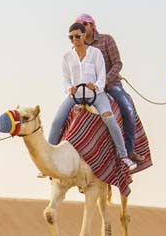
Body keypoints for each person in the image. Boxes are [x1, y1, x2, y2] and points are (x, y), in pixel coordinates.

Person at [48, 23, 136, 171]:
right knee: (56, 121)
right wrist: (69, 88)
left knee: (109, 118)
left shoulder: (95, 53)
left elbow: (101, 74)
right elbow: (66, 78)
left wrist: (96, 85)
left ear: (83, 36)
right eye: (71, 37)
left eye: (77, 36)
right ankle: (49, 162)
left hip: (95, 95)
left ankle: (124, 156)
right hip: (75, 96)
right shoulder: (67, 57)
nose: (74, 39)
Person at [76, 13, 143, 162]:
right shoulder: (79, 46)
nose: (82, 27)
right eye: (79, 25)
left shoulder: (106, 40)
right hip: (88, 89)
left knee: (128, 109)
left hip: (111, 84)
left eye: (84, 24)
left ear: (92, 25)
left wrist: (104, 81)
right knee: (69, 114)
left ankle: (129, 150)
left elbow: (117, 64)